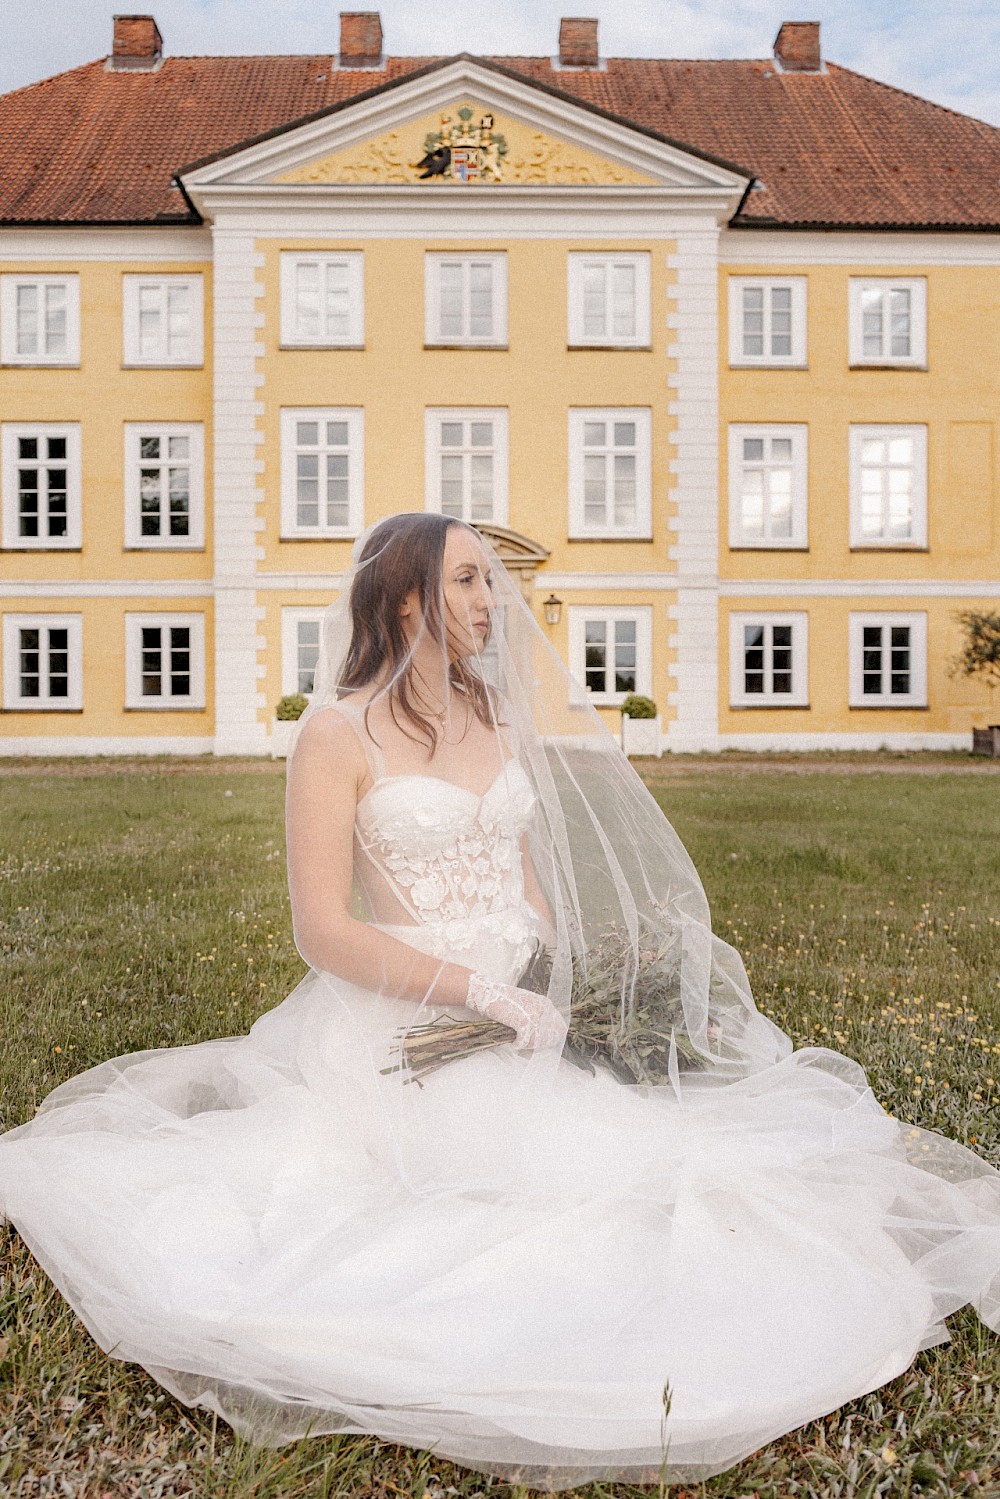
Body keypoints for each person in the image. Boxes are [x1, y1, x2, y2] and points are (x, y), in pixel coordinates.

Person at [1, 511, 998, 1494]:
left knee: (664, 1163)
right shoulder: (335, 734)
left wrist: (560, 986)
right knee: (554, 1193)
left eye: (490, 580)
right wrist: (477, 990)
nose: (491, 601)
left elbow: (524, 883)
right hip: (407, 1026)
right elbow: (324, 929)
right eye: (468, 580)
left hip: (524, 1009)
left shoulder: (497, 719)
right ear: (403, 599)